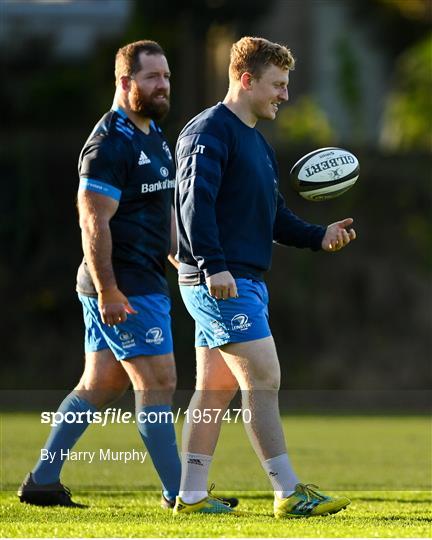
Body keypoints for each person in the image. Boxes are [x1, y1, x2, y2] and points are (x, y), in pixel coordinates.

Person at [17, 39, 237, 511]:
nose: (163, 86)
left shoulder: (153, 133)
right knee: (158, 383)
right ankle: (183, 496)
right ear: (125, 82)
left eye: (167, 76)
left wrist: (185, 258)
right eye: (153, 77)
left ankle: (42, 480)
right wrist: (109, 289)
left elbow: (160, 214)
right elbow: (92, 221)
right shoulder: (108, 144)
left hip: (137, 281)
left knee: (100, 385)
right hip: (125, 286)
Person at [173, 36, 356, 517]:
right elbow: (195, 205)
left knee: (215, 389)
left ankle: (190, 496)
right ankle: (289, 491)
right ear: (246, 79)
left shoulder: (255, 141)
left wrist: (320, 236)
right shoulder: (209, 131)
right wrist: (214, 265)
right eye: (278, 84)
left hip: (241, 280)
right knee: (265, 377)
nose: (285, 94)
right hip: (221, 280)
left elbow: (274, 218)